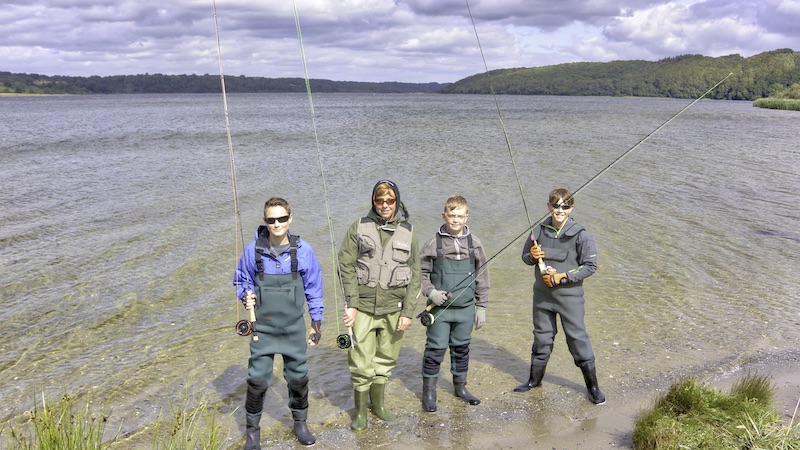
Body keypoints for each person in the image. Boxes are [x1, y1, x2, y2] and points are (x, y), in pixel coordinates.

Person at [233, 197, 324, 448]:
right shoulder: (252, 251)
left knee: (298, 378)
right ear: (265, 221)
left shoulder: (304, 251)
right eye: (271, 220)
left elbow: (314, 289)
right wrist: (245, 296)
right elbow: (240, 280)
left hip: (293, 328)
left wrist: (316, 324)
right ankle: (253, 432)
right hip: (262, 329)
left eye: (282, 218)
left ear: (290, 218)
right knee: (257, 380)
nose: (277, 224)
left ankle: (300, 423)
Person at [338, 180, 421, 431]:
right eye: (379, 200)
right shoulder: (359, 227)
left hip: (394, 309)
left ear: (397, 202)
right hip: (362, 308)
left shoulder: (409, 232)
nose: (385, 205)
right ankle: (360, 413)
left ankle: (379, 407)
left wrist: (408, 312)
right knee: (360, 362)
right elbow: (345, 265)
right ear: (373, 201)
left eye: (390, 200)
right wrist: (351, 304)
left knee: (386, 360)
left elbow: (416, 274)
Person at [513, 188, 606, 405]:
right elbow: (525, 257)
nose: (560, 210)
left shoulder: (582, 235)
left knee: (577, 339)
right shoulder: (538, 230)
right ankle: (534, 381)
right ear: (549, 206)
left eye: (565, 206)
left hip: (569, 298)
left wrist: (562, 277)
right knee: (542, 338)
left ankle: (593, 388)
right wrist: (531, 256)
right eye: (555, 206)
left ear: (571, 208)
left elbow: (590, 266)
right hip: (542, 297)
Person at [419, 195, 490, 412]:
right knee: (435, 350)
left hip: (466, 310)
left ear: (466, 217)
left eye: (460, 216)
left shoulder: (475, 243)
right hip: (439, 311)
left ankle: (460, 388)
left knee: (461, 350)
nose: (456, 220)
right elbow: (419, 274)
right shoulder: (433, 243)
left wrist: (481, 307)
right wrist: (431, 293)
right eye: (452, 216)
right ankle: (429, 393)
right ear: (444, 216)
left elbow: (483, 277)